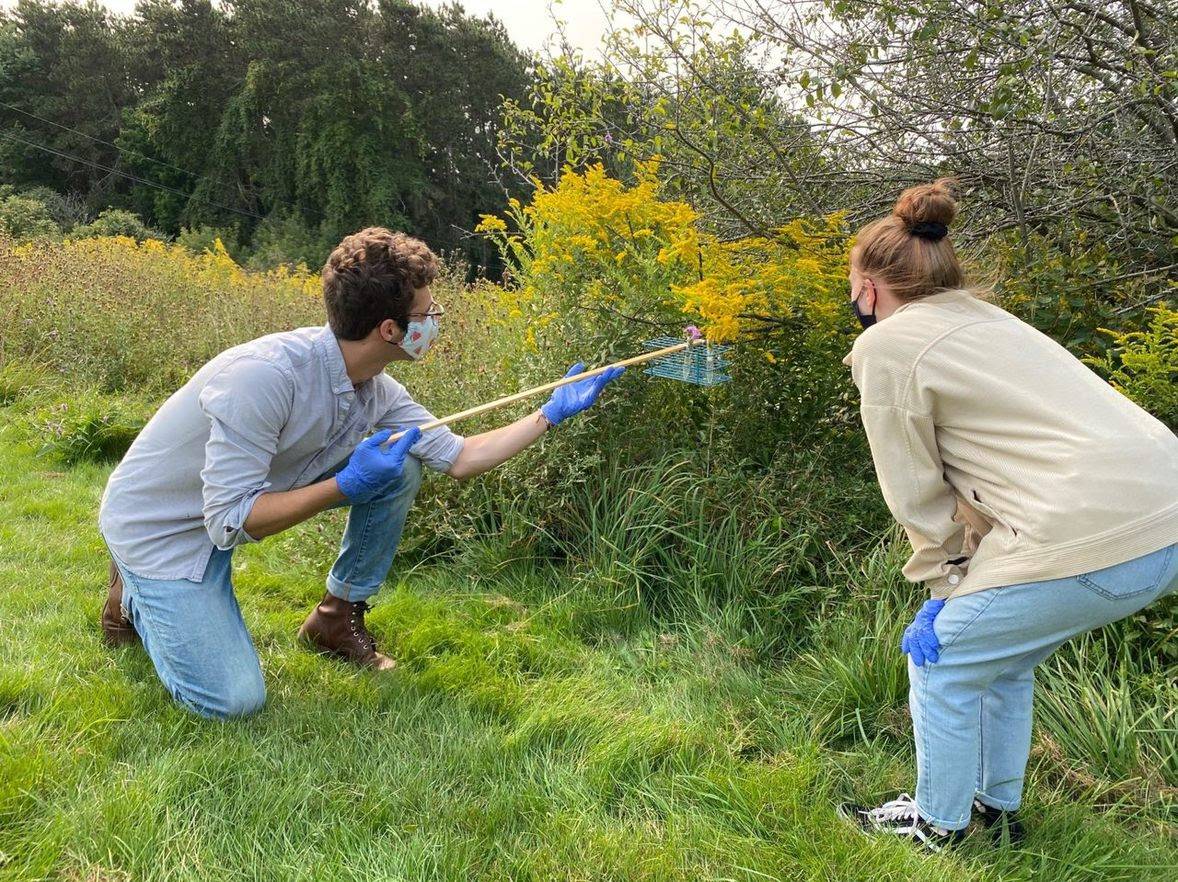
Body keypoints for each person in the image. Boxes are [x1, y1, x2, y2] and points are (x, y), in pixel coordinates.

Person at [98, 227, 623, 719]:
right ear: (391, 329)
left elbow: (461, 456)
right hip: (162, 528)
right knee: (232, 701)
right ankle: (135, 595)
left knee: (402, 468)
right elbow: (231, 522)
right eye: (427, 311)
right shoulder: (264, 378)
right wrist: (343, 486)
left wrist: (549, 414)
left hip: (223, 512)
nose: (435, 319)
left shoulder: (375, 388)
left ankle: (334, 619)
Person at [835, 181, 1178, 850]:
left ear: (869, 290)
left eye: (851, 288)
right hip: (1164, 523)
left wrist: (942, 585)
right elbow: (1008, 461)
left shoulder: (888, 346)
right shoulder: (987, 321)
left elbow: (915, 490)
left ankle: (940, 829)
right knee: (1000, 661)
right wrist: (971, 574)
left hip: (1086, 532)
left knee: (943, 663)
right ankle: (996, 816)